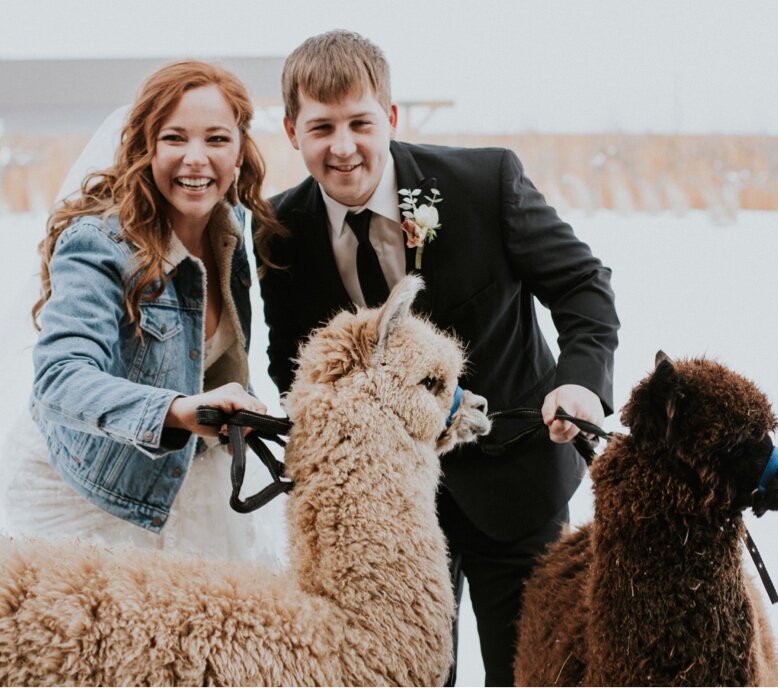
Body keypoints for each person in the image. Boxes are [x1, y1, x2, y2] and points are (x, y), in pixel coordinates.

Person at [258, 30, 619, 685]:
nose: (344, 147)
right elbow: (294, 366)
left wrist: (581, 386)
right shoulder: (278, 233)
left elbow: (583, 287)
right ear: (292, 131)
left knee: (531, 674)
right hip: (389, 512)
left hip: (517, 480)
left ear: (390, 119)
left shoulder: (487, 183)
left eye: (360, 123)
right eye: (322, 127)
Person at [0, 60, 283, 563]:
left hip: (185, 466)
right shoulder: (97, 244)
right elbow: (59, 380)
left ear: (239, 152)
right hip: (89, 484)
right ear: (145, 148)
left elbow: (204, 356)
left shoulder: (232, 228)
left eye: (216, 139)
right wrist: (176, 411)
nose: (196, 159)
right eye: (175, 138)